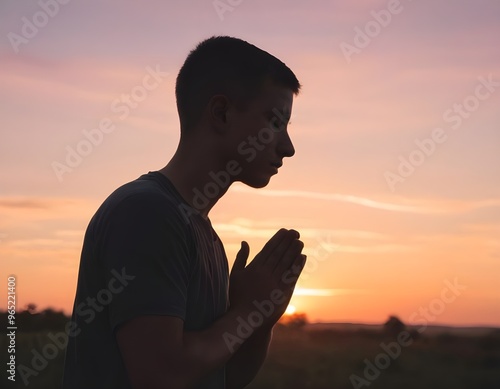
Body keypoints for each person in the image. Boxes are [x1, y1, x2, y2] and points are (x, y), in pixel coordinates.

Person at [62, 35, 306, 389]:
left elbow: (223, 379)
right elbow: (161, 375)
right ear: (220, 112)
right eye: (274, 122)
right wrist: (246, 312)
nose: (288, 147)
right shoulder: (146, 213)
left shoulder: (205, 237)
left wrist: (261, 319)